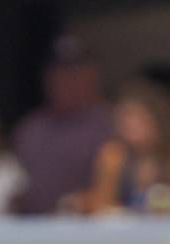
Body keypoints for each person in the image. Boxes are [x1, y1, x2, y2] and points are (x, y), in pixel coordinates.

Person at [12, 36, 113, 215]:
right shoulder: (30, 128)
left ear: (92, 75)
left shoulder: (112, 124)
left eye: (76, 73)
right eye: (60, 73)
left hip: (91, 232)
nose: (68, 81)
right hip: (33, 230)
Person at [83, 80, 170, 215]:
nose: (130, 128)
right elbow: (102, 203)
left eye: (138, 120)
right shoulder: (113, 155)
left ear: (158, 121)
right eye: (125, 121)